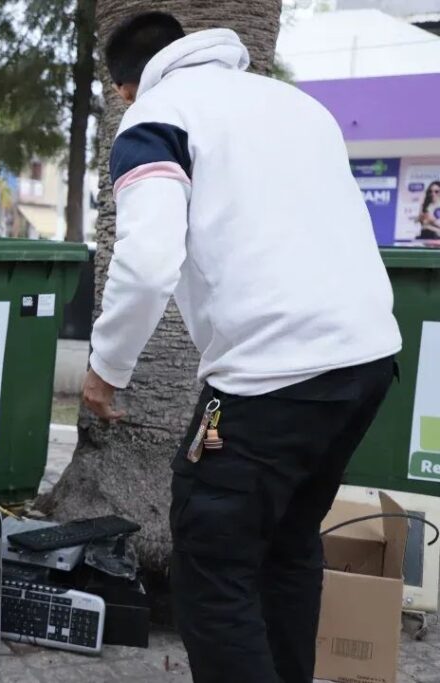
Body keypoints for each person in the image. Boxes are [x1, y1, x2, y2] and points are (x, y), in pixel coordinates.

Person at [81, 13, 400, 683]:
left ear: (123, 89)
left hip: (272, 372)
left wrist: (105, 372)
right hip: (366, 362)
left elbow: (145, 264)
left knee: (213, 567)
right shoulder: (297, 105)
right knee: (287, 545)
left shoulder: (156, 117)